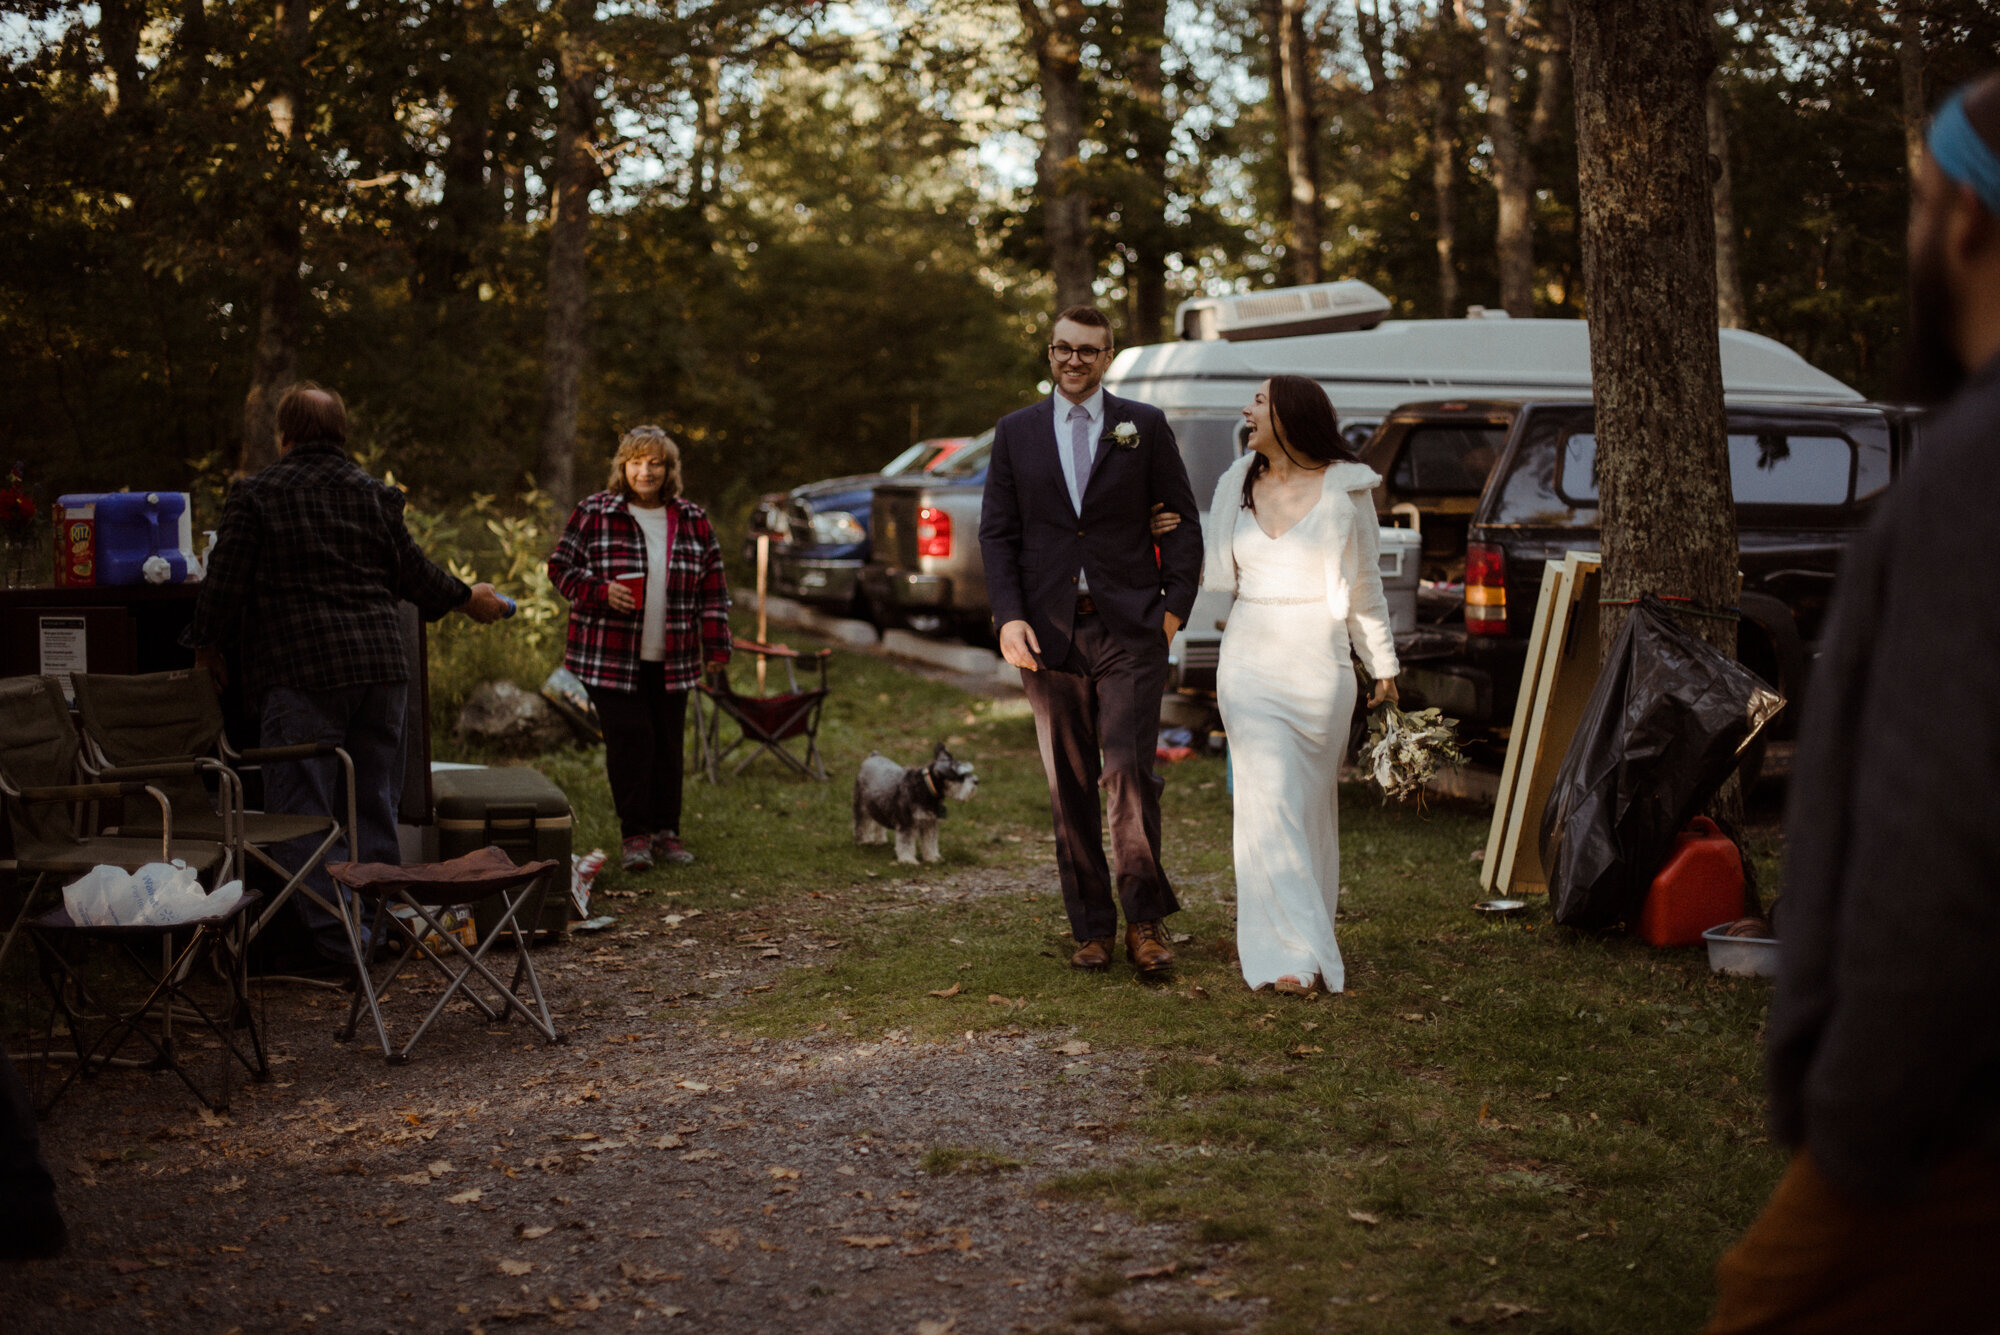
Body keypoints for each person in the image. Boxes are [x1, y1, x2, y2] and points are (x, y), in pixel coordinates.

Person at [1704, 72, 2000, 1333]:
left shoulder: (1975, 474)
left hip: (1947, 1122)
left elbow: (1939, 832)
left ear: (1970, 226)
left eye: (1918, 203)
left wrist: (1861, 1125)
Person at [184, 382, 509, 963]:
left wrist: (206, 650)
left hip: (302, 672)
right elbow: (416, 576)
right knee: (372, 806)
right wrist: (468, 597)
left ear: (282, 437)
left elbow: (223, 586)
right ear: (342, 435)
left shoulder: (255, 495)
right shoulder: (373, 495)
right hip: (382, 670)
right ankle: (379, 930)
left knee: (301, 815)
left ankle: (339, 945)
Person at [979, 305, 1204, 976]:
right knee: (1068, 782)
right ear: (1049, 354)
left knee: (1130, 774)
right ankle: (1091, 927)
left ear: (1108, 356)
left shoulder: (1145, 425)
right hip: (1047, 635)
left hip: (1131, 627)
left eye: (1088, 350)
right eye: (1063, 349)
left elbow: (1183, 522)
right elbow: (998, 533)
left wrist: (1173, 611)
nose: (1074, 360)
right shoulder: (1015, 432)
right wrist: (1006, 617)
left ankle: (1144, 920)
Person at [1199, 376, 1398, 997]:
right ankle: (1292, 956)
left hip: (1321, 664)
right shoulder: (1236, 482)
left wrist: (1383, 666)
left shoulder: (1347, 488)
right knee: (1270, 800)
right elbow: (1214, 572)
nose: (1245, 410)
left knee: (1307, 808)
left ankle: (1305, 935)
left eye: (1256, 401)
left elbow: (1366, 586)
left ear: (1290, 415)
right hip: (1250, 659)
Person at [548, 426, 730, 872]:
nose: (644, 471)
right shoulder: (594, 511)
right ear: (622, 466)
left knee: (668, 744)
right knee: (632, 741)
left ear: (669, 469)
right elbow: (560, 568)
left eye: (654, 463)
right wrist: (599, 591)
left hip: (675, 655)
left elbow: (713, 590)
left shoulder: (693, 519)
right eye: (635, 462)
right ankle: (635, 836)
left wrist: (716, 648)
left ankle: (667, 833)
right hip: (610, 655)